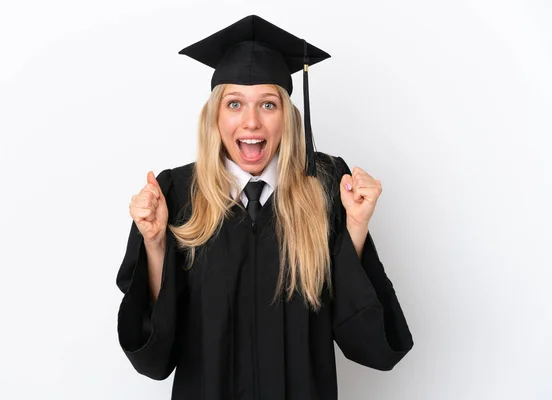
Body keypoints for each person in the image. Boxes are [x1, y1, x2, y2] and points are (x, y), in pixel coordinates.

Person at [116, 15, 413, 400]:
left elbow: (366, 343)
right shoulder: (177, 194)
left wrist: (355, 227)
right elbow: (155, 357)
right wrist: (155, 244)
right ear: (215, 116)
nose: (251, 122)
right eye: (235, 103)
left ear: (287, 116)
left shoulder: (323, 186)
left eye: (268, 104)